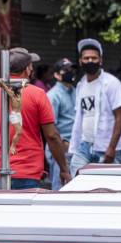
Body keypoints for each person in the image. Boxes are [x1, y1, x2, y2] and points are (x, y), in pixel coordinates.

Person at [0, 47, 70, 189]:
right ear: (27, 69)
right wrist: (64, 169)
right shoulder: (38, 94)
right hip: (26, 173)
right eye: (31, 65)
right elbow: (52, 135)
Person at [70, 38, 121, 167]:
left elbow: (120, 116)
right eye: (86, 58)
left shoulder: (112, 83)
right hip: (85, 146)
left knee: (105, 186)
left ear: (100, 60)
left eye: (94, 58)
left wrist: (112, 147)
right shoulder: (81, 85)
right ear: (80, 61)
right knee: (77, 180)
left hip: (107, 147)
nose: (90, 61)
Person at [46, 58, 78, 188]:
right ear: (57, 75)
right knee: (61, 188)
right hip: (62, 149)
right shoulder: (53, 95)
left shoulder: (75, 91)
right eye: (66, 70)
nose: (70, 72)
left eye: (72, 69)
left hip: (76, 148)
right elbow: (50, 127)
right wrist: (62, 144)